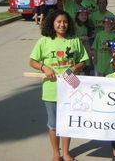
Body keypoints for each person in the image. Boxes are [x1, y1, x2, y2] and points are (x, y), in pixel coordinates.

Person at [29, 10, 88, 161]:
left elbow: (83, 60)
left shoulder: (74, 40)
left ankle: (67, 153)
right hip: (51, 89)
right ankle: (56, 153)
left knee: (67, 122)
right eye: (59, 22)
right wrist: (44, 67)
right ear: (52, 23)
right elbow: (32, 61)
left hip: (71, 87)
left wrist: (75, 68)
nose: (62, 25)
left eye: (65, 22)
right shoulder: (45, 40)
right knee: (54, 124)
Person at [75, 7, 93, 75]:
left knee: (87, 70)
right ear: (77, 16)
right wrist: (81, 38)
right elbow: (71, 39)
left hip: (86, 51)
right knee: (77, 71)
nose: (84, 16)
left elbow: (88, 38)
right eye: (82, 15)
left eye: (85, 15)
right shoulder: (74, 25)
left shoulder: (86, 25)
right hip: (77, 52)